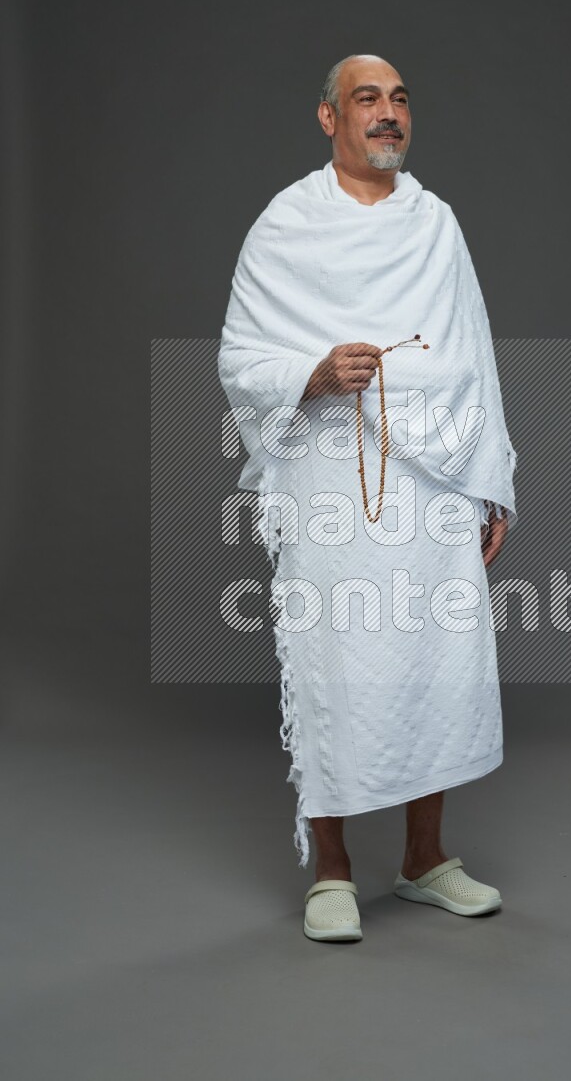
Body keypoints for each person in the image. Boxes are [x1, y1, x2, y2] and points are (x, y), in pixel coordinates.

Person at [218, 54, 518, 942]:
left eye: (398, 100)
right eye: (366, 100)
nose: (386, 115)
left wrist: (491, 480)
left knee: (435, 656)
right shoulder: (285, 225)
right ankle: (334, 871)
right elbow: (237, 357)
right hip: (328, 476)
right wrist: (310, 373)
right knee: (337, 658)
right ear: (328, 118)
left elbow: (475, 351)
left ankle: (425, 858)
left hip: (434, 478)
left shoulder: (438, 224)